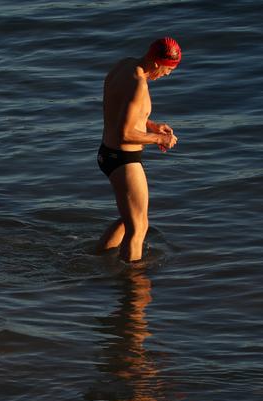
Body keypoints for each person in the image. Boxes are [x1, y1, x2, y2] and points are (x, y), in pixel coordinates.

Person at [96, 37, 182, 262]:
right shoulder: (138, 84)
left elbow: (118, 110)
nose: (167, 75)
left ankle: (95, 259)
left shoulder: (124, 65)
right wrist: (159, 140)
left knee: (129, 219)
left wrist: (151, 124)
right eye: (167, 69)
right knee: (139, 227)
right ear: (156, 63)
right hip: (123, 159)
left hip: (108, 153)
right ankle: (133, 283)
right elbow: (125, 134)